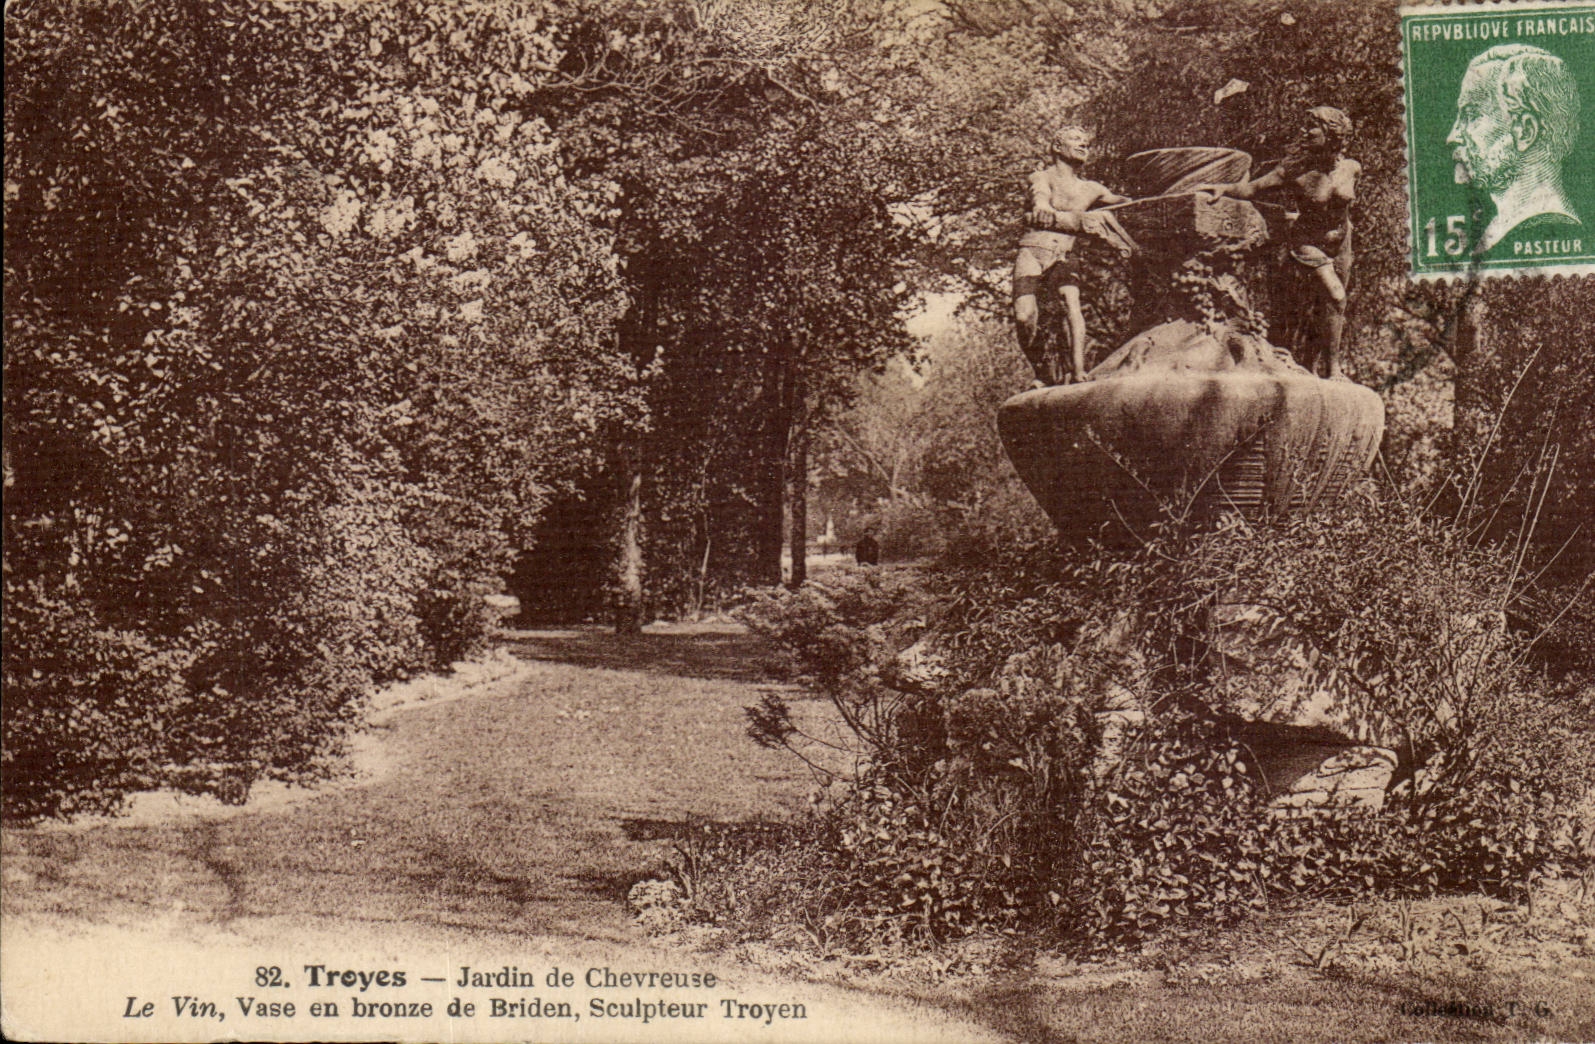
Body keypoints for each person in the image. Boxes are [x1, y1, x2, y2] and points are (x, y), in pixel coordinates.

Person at [1199, 106, 1360, 379]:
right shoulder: (1294, 170)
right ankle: (1331, 369)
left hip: (1343, 243)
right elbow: (1252, 189)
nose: (1305, 131)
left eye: (1313, 127)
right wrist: (1224, 189)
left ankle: (1330, 368)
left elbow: (1344, 206)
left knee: (1332, 307)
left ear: (1332, 133)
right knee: (1336, 294)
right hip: (1309, 241)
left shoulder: (1352, 168)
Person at [1012, 125, 1137, 387]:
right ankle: (1041, 372)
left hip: (1065, 252)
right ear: (1058, 147)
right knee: (1024, 316)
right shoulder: (1042, 177)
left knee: (1072, 305)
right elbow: (1040, 197)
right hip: (1033, 250)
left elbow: (1124, 202)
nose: (1083, 145)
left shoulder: (1093, 189)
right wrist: (1042, 208)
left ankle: (1079, 370)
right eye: (1075, 140)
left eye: (1086, 142)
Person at [1447, 43, 1582, 257]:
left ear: (1525, 131)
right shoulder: (1500, 232)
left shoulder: (1542, 231)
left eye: (1471, 115)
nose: (1452, 137)